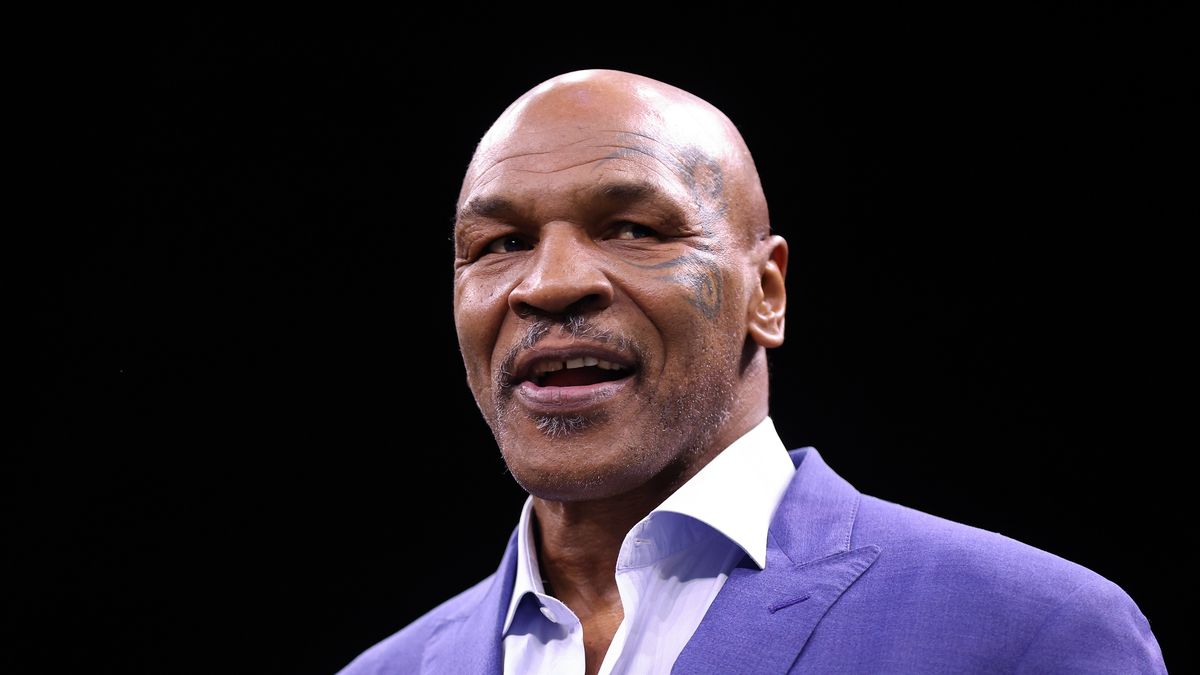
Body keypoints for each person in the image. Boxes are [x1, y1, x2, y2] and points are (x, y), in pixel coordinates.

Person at [338, 69, 1164, 674]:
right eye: (500, 244)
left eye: (631, 227)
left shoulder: (1031, 634)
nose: (549, 284)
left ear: (765, 294)